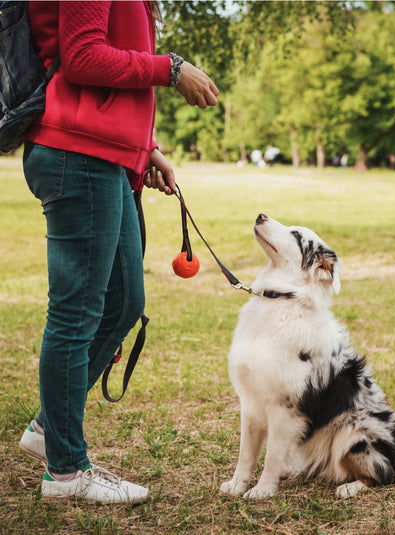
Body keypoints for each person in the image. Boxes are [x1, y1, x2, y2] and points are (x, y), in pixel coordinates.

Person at [18, 1, 219, 504]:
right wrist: (171, 69)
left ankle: (49, 427)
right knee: (76, 312)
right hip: (77, 152)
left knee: (123, 302)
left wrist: (143, 147)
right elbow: (83, 57)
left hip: (108, 153)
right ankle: (65, 472)